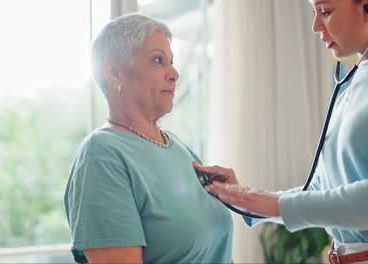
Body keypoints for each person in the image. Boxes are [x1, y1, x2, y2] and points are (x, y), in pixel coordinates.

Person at [195, 0, 368, 263]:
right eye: (314, 13)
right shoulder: (354, 81)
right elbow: (325, 185)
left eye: (325, 12)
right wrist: (247, 200)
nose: (314, 26)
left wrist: (273, 204)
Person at [64, 13, 233, 264]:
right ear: (114, 72)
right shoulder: (101, 155)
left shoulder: (177, 147)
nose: (174, 73)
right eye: (158, 60)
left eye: (172, 61)